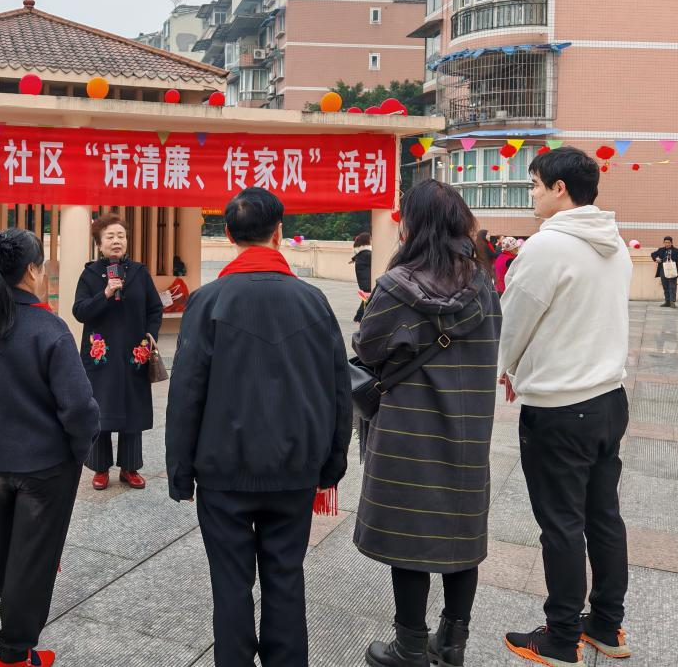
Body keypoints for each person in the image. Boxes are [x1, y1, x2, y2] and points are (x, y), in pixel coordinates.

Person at [166, 187, 352, 666]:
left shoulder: (207, 302)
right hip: (294, 469)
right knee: (285, 578)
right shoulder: (313, 301)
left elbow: (186, 392)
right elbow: (337, 388)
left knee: (230, 585)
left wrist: (180, 471)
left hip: (223, 471)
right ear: (279, 232)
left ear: (227, 235)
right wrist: (332, 462)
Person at [353, 179, 500, 667]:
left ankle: (410, 645)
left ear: (411, 225)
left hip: (408, 432)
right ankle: (452, 644)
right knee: (462, 538)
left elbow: (368, 349)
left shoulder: (397, 286)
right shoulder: (483, 284)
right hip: (469, 429)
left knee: (407, 537)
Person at [498, 147, 633, 666]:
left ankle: (558, 638)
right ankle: (607, 626)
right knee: (603, 516)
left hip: (559, 407)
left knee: (560, 523)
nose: (531, 193)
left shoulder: (548, 246)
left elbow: (514, 322)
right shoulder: (613, 242)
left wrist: (507, 369)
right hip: (608, 400)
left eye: (534, 184)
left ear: (559, 188)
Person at [0, 228, 100, 667]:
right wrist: (79, 449)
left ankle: (15, 632)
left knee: (6, 551)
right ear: (33, 270)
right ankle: (15, 654)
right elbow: (79, 408)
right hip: (46, 465)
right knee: (32, 559)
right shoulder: (49, 328)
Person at [72, 214, 163, 490]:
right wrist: (106, 294)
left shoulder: (139, 272)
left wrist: (151, 335)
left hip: (135, 353)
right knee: (100, 409)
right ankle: (100, 469)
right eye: (110, 237)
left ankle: (130, 467)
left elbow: (154, 308)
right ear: (99, 244)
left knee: (132, 409)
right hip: (102, 354)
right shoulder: (90, 275)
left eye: (120, 236)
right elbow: (80, 311)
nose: (116, 241)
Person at [651, 236, 678, 307]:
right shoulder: (661, 250)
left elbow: (675, 258)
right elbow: (653, 254)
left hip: (672, 270)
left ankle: (672, 302)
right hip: (663, 270)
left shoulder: (677, 251)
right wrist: (656, 258)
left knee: (672, 286)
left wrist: (666, 257)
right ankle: (667, 302)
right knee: (665, 286)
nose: (667, 244)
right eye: (665, 242)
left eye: (668, 242)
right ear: (663, 243)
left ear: (671, 243)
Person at [352, 231, 373, 323]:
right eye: (371, 239)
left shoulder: (362, 253)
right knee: (368, 298)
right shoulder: (367, 254)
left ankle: (359, 317)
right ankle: (359, 317)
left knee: (367, 298)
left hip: (364, 281)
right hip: (367, 281)